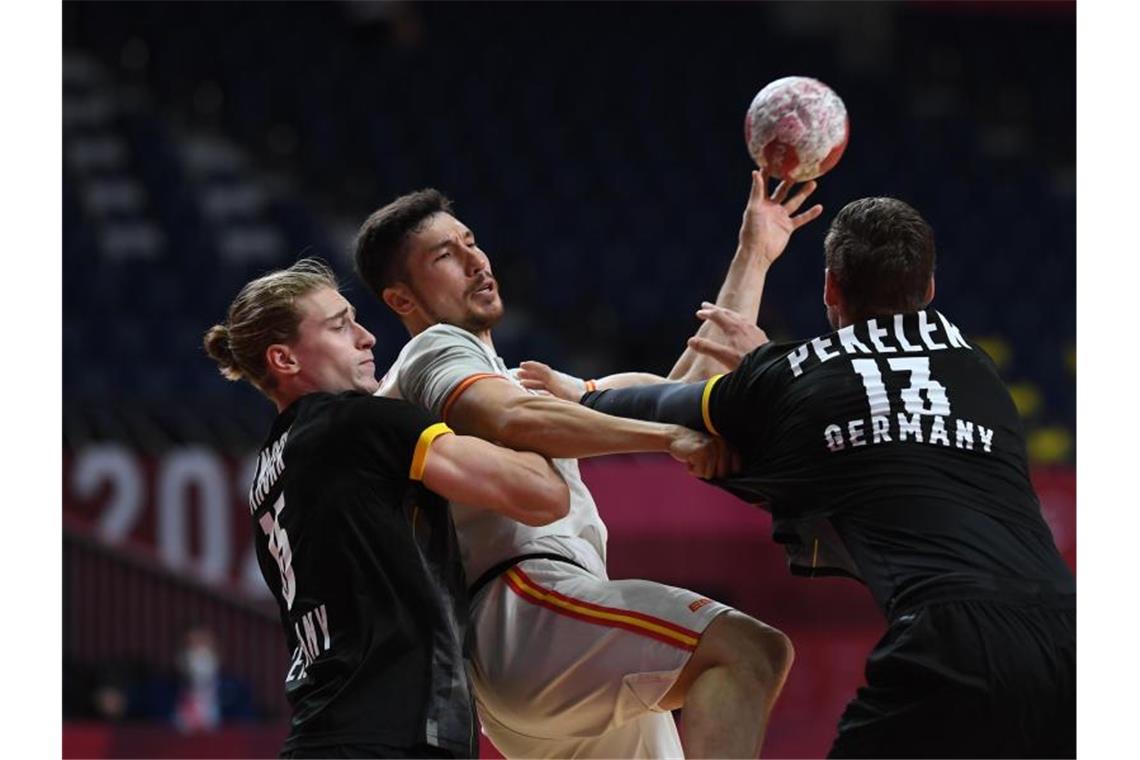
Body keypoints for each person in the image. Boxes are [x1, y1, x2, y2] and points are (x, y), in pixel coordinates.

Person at [527, 196, 1077, 758]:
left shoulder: (799, 378)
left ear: (830, 289)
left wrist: (583, 392)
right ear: (930, 287)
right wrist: (767, 368)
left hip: (953, 641)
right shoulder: (979, 371)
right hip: (1075, 639)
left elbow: (675, 400)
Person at [353, 177, 818, 758]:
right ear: (401, 300)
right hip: (523, 609)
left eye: (471, 241)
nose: (475, 260)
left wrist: (754, 252)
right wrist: (664, 438)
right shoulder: (434, 351)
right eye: (446, 256)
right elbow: (510, 420)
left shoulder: (517, 375)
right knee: (750, 650)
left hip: (535, 661)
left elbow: (686, 387)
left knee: (741, 658)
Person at [203, 258, 573, 758]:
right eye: (339, 325)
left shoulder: (271, 466)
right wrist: (518, 411)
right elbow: (542, 496)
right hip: (385, 736)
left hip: (332, 731)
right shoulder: (356, 423)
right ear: (285, 360)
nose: (367, 337)